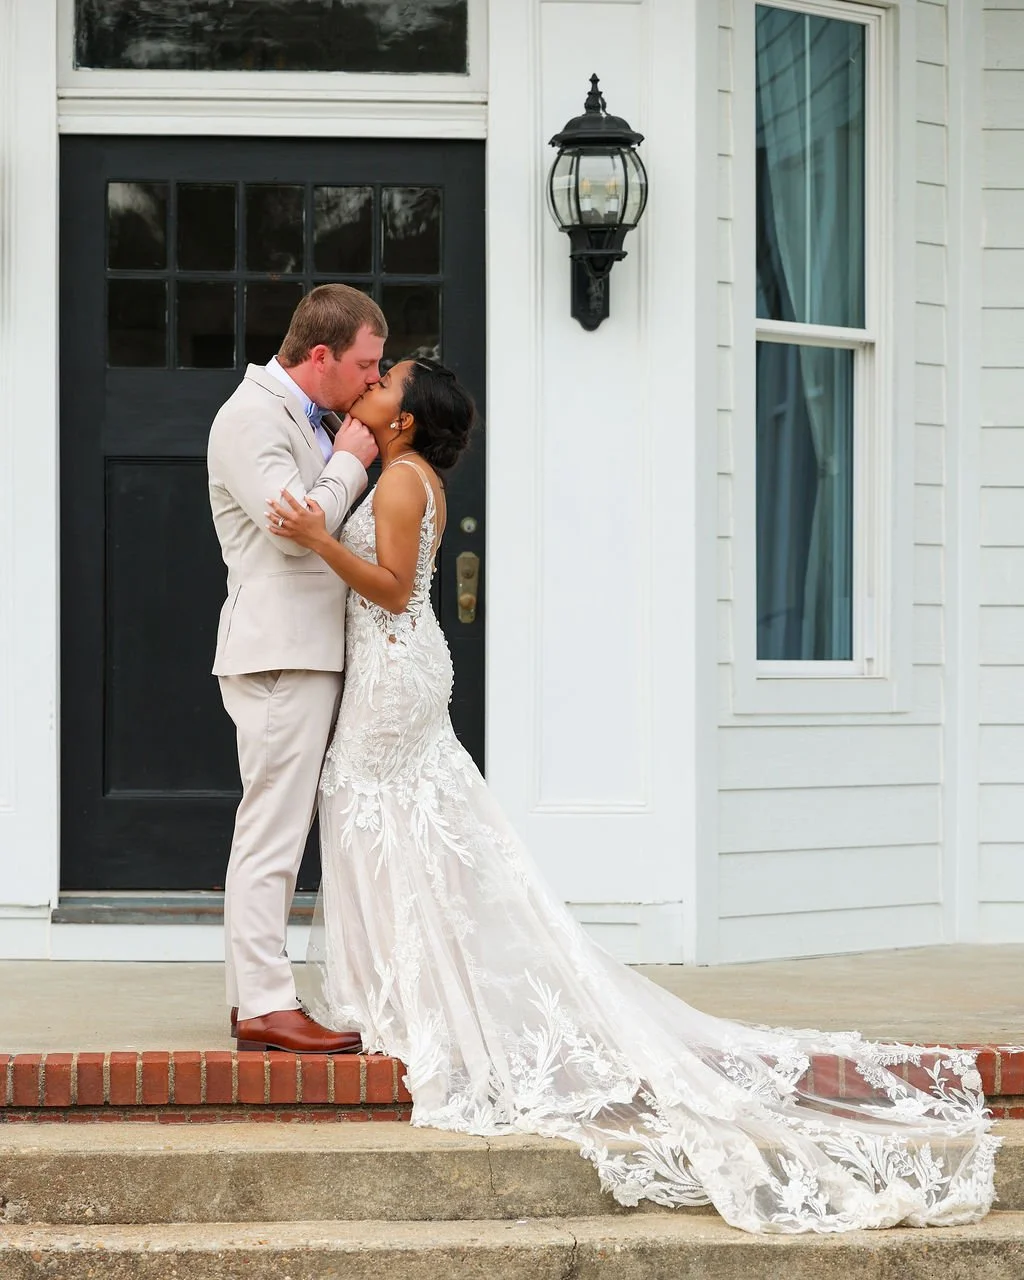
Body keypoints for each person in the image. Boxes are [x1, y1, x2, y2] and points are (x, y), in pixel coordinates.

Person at [265, 357, 999, 1234]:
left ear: (405, 420)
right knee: (409, 831)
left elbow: (388, 588)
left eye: (388, 384)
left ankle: (402, 997)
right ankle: (406, 984)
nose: (374, 386)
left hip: (392, 676)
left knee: (369, 815)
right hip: (412, 672)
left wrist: (316, 539)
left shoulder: (397, 487)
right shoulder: (418, 476)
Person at [207, 284, 385, 1054]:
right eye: (366, 365)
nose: (375, 382)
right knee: (272, 832)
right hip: (279, 651)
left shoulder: (300, 417)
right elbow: (291, 532)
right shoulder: (250, 417)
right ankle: (266, 1005)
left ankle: (253, 996)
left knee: (280, 826)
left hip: (306, 648)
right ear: (321, 356)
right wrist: (349, 461)